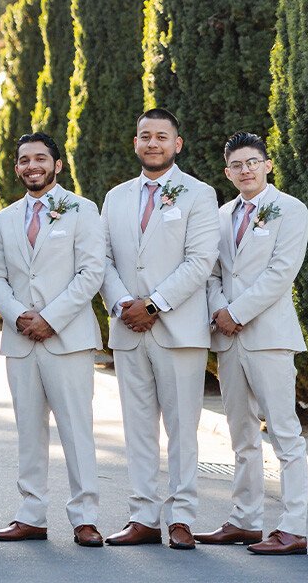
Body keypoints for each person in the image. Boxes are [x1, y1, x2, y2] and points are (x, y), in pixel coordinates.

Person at [101, 108, 220, 550]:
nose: (153, 143)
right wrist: (121, 304)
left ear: (177, 144)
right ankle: (144, 516)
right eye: (145, 136)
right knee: (137, 428)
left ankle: (182, 517)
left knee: (182, 428)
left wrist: (153, 304)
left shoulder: (199, 194)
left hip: (178, 330)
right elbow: (104, 259)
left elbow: (200, 260)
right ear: (135, 142)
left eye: (161, 137)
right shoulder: (115, 197)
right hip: (128, 328)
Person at [0, 132, 105, 547]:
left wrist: (50, 317)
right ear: (16, 167)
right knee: (28, 431)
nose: (31, 166)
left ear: (57, 165)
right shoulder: (3, 218)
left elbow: (91, 272)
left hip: (67, 338)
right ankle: (31, 514)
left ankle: (85, 517)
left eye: (40, 158)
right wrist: (18, 315)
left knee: (77, 429)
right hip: (21, 340)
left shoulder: (82, 209)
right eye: (23, 160)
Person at [195, 131, 308, 556]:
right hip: (228, 340)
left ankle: (293, 527)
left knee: (285, 433)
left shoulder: (290, 210)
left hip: (269, 338)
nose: (245, 170)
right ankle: (245, 520)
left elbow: (282, 272)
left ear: (267, 165)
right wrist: (220, 311)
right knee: (240, 435)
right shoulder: (221, 215)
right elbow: (210, 273)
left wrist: (237, 313)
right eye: (237, 165)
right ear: (228, 173)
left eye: (252, 163)